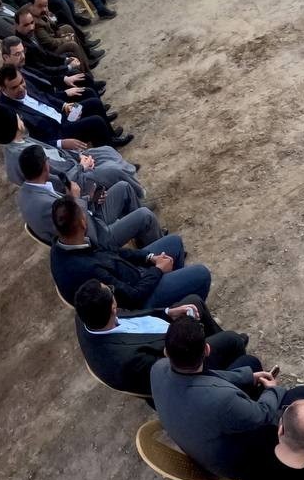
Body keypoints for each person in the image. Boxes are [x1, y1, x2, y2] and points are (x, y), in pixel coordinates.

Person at [150, 315, 304, 479]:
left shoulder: (157, 368)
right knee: (302, 396)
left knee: (249, 362)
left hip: (200, 434)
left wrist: (249, 376)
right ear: (207, 350)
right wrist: (272, 390)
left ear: (167, 352)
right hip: (235, 462)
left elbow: (206, 377)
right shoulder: (223, 400)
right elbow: (262, 414)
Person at [74, 279, 248, 399]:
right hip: (180, 351)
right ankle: (239, 375)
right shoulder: (129, 360)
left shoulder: (88, 314)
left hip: (162, 331)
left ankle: (217, 348)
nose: (113, 291)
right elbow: (173, 369)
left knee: (194, 302)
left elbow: (133, 315)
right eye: (111, 292)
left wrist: (167, 312)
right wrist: (188, 336)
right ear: (112, 308)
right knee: (232, 340)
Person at [49, 193, 209, 311]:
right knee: (202, 274)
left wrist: (150, 258)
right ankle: (189, 315)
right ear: (83, 223)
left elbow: (115, 253)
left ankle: (178, 300)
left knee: (174, 242)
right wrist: (158, 270)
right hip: (139, 301)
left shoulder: (63, 244)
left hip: (132, 274)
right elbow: (132, 297)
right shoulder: (88, 270)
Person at [16, 143, 158, 248]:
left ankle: (143, 237)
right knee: (145, 216)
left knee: (124, 187)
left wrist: (90, 200)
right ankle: (156, 247)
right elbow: (80, 230)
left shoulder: (26, 192)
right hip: (96, 238)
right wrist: (76, 199)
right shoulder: (45, 205)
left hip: (88, 219)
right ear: (45, 166)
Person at [0, 106, 139, 198]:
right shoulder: (25, 157)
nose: (21, 118)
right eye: (17, 117)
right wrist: (82, 167)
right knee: (113, 170)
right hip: (73, 181)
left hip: (72, 165)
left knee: (106, 151)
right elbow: (56, 182)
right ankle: (136, 196)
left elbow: (55, 151)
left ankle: (129, 178)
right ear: (13, 125)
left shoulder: (22, 140)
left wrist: (79, 156)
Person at [0, 66, 125, 150]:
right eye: (14, 87)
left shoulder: (22, 81)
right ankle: (114, 161)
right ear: (3, 88)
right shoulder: (7, 113)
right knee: (96, 122)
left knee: (93, 102)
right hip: (59, 134)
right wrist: (60, 143)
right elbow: (32, 142)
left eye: (22, 83)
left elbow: (44, 96)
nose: (21, 88)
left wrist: (64, 105)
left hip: (62, 116)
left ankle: (111, 138)